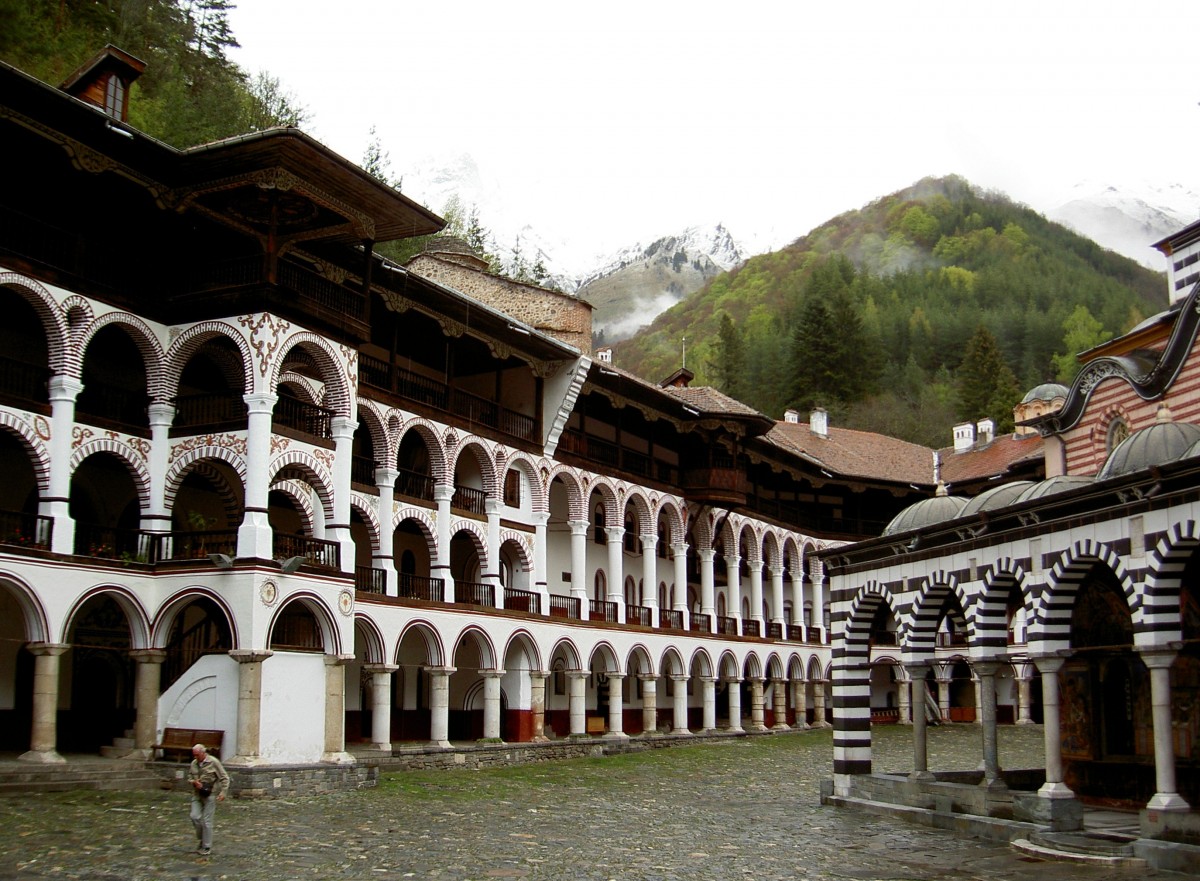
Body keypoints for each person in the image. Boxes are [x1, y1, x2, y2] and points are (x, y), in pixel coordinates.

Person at [186, 743, 230, 857]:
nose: (195, 757)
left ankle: (206, 846)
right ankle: (202, 838)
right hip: (196, 794)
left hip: (210, 794)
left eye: (197, 755)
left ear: (203, 753)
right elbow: (189, 777)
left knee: (207, 821)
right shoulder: (194, 763)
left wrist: (223, 792)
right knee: (194, 816)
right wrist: (193, 782)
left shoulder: (213, 762)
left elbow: (224, 777)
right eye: (194, 755)